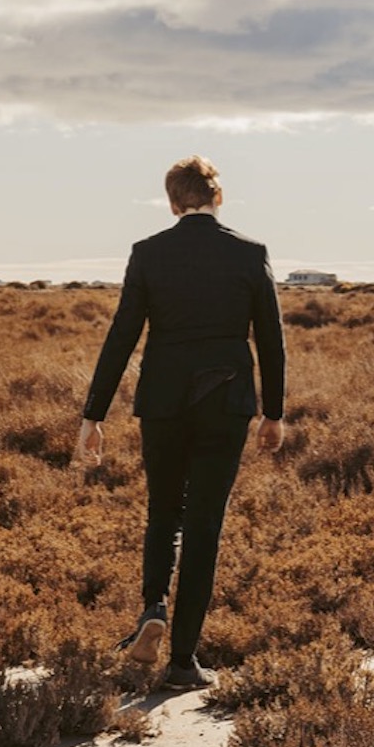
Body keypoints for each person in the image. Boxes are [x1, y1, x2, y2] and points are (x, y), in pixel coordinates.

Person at [78, 156, 285, 688]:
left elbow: (122, 334)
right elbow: (270, 338)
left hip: (164, 401)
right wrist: (274, 412)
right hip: (226, 401)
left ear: (172, 202)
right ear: (219, 199)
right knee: (204, 527)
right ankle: (182, 662)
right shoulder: (249, 253)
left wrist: (93, 414)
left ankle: (154, 609)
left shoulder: (149, 253)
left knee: (163, 513)